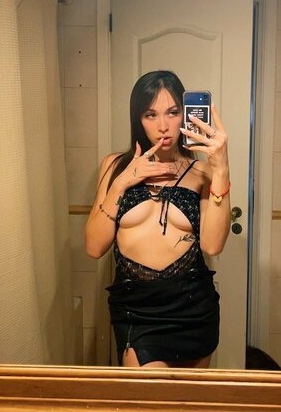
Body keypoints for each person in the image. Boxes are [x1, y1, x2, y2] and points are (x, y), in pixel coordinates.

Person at [85, 70, 231, 368]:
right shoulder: (115, 165)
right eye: (150, 115)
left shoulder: (202, 173)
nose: (163, 126)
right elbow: (94, 247)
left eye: (172, 113)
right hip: (137, 310)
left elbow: (213, 246)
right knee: (150, 394)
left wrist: (221, 168)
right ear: (138, 119)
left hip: (193, 308)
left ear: (185, 115)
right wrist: (121, 183)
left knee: (188, 399)